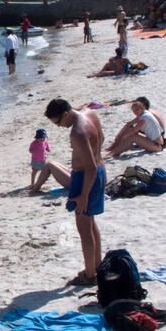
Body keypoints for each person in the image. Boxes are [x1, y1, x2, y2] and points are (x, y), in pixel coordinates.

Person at [44, 97, 105, 286]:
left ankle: (89, 275)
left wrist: (83, 195)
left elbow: (90, 168)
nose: (59, 127)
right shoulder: (90, 113)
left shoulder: (77, 132)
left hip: (87, 177)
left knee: (84, 229)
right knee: (90, 223)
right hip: (99, 171)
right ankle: (96, 266)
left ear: (65, 114)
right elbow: (100, 139)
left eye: (58, 123)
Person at [28, 127, 51, 191]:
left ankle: (42, 181)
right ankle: (32, 183)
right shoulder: (33, 143)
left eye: (44, 138)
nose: (43, 139)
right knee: (34, 171)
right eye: (41, 138)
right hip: (35, 160)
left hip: (43, 160)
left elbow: (46, 146)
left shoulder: (45, 142)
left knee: (44, 171)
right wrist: (32, 151)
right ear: (37, 138)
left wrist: (48, 149)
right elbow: (30, 150)